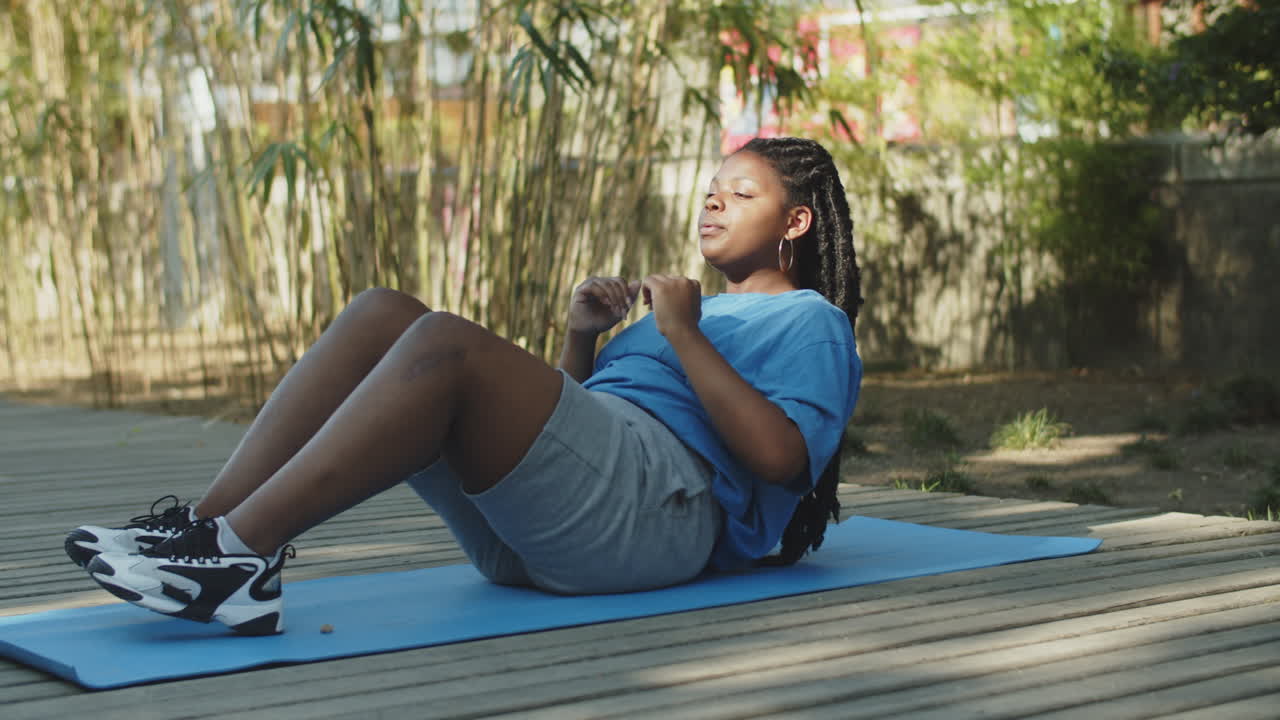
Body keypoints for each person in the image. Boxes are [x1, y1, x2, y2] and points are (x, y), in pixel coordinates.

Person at [65, 136, 864, 636]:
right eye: (712, 189)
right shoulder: (679, 314)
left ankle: (238, 554)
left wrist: (684, 332)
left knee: (447, 343)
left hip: (658, 527)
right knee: (385, 314)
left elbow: (777, 458)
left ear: (797, 223)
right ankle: (208, 535)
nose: (715, 200)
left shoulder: (808, 322)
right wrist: (582, 337)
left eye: (743, 192)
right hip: (555, 530)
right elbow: (568, 442)